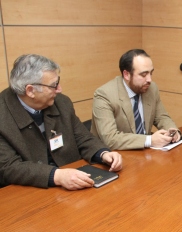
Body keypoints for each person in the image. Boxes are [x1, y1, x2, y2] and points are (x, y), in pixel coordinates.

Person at [0, 54, 122, 190]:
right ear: (30, 91)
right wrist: (57, 176)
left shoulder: (61, 102)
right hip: (27, 192)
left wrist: (103, 153)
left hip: (73, 182)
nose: (59, 89)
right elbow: (8, 167)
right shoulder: (3, 114)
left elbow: (82, 136)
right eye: (54, 85)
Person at [91, 49, 180, 150]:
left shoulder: (151, 88)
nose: (149, 79)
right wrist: (149, 140)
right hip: (112, 156)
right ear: (126, 74)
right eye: (143, 75)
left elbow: (161, 117)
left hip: (143, 154)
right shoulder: (104, 95)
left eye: (151, 73)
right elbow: (110, 139)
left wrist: (172, 131)